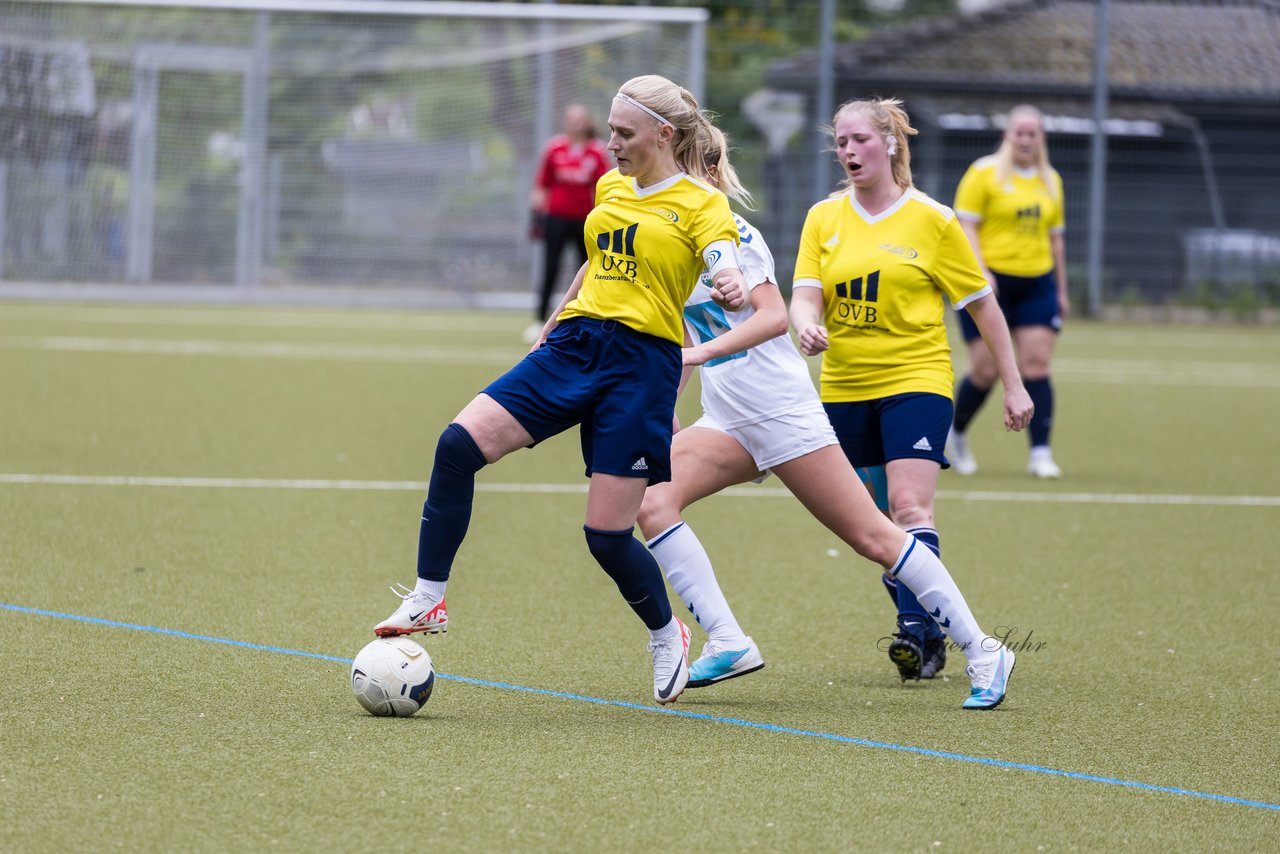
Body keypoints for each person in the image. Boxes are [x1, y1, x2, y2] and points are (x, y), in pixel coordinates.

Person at [373, 75, 749, 706]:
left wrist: (732, 280)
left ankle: (667, 634)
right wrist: (552, 325)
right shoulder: (608, 185)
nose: (611, 144)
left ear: (665, 134)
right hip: (574, 346)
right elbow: (597, 261)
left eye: (624, 134)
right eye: (609, 130)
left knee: (605, 536)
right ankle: (429, 598)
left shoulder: (702, 204)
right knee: (456, 445)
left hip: (641, 366)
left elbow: (719, 258)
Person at [636, 123, 1020, 710]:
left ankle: (984, 648)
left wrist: (700, 350)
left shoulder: (734, 237)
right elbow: (679, 330)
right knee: (651, 502)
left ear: (704, 174)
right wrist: (666, 403)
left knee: (875, 535)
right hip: (728, 417)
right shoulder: (670, 237)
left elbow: (769, 318)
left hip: (783, 413)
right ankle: (730, 639)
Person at [789, 97, 1033, 686]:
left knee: (909, 507)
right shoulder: (824, 217)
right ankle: (926, 634)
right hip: (845, 386)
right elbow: (803, 293)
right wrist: (806, 323)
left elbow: (983, 307)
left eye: (860, 141)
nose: (849, 151)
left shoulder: (933, 219)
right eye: (841, 142)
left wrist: (1013, 384)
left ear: (891, 144)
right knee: (877, 527)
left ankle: (915, 635)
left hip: (916, 381)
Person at [947, 105, 1068, 478]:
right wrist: (981, 271)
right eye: (1020, 132)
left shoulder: (1051, 180)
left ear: (1041, 139)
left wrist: (1062, 289)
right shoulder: (982, 173)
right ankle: (957, 433)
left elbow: (1056, 239)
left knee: (1037, 365)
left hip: (1036, 283)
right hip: (990, 286)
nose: (1026, 139)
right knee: (985, 370)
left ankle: (1041, 453)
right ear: (1008, 135)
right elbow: (965, 226)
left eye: (1034, 133)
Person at [527, 104, 613, 343]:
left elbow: (604, 188)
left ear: (586, 122)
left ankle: (583, 319)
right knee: (550, 268)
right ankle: (539, 321)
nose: (576, 124)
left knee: (587, 270)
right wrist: (536, 217)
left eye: (580, 119)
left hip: (585, 222)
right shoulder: (554, 148)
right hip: (556, 219)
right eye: (571, 119)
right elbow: (541, 185)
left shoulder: (596, 152)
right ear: (565, 122)